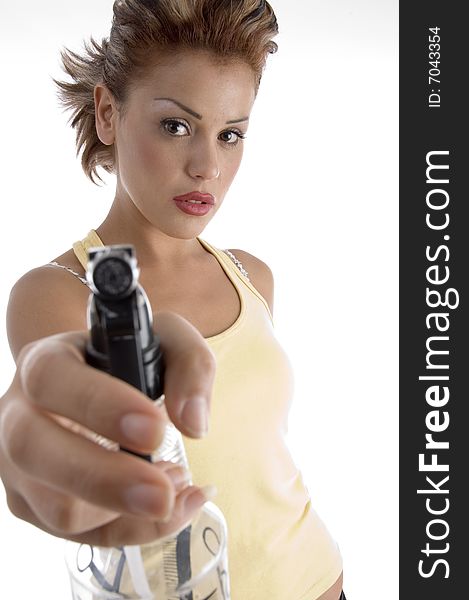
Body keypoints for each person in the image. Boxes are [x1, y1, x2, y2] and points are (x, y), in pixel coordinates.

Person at [1, 1, 345, 598]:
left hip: (325, 580)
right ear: (109, 113)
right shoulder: (56, 294)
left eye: (231, 134)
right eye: (176, 126)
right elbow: (49, 408)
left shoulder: (251, 276)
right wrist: (20, 438)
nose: (208, 166)